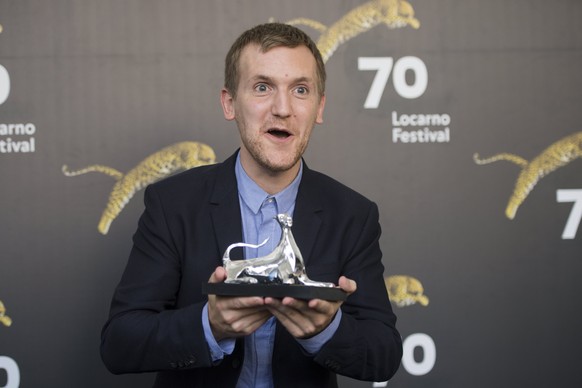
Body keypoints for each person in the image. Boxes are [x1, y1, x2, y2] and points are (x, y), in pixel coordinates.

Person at [100, 22, 402, 388]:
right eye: (262, 87)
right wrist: (209, 326)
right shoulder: (172, 204)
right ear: (230, 103)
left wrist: (326, 329)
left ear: (319, 107)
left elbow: (383, 355)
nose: (283, 108)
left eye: (301, 90)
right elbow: (120, 343)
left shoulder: (353, 215)